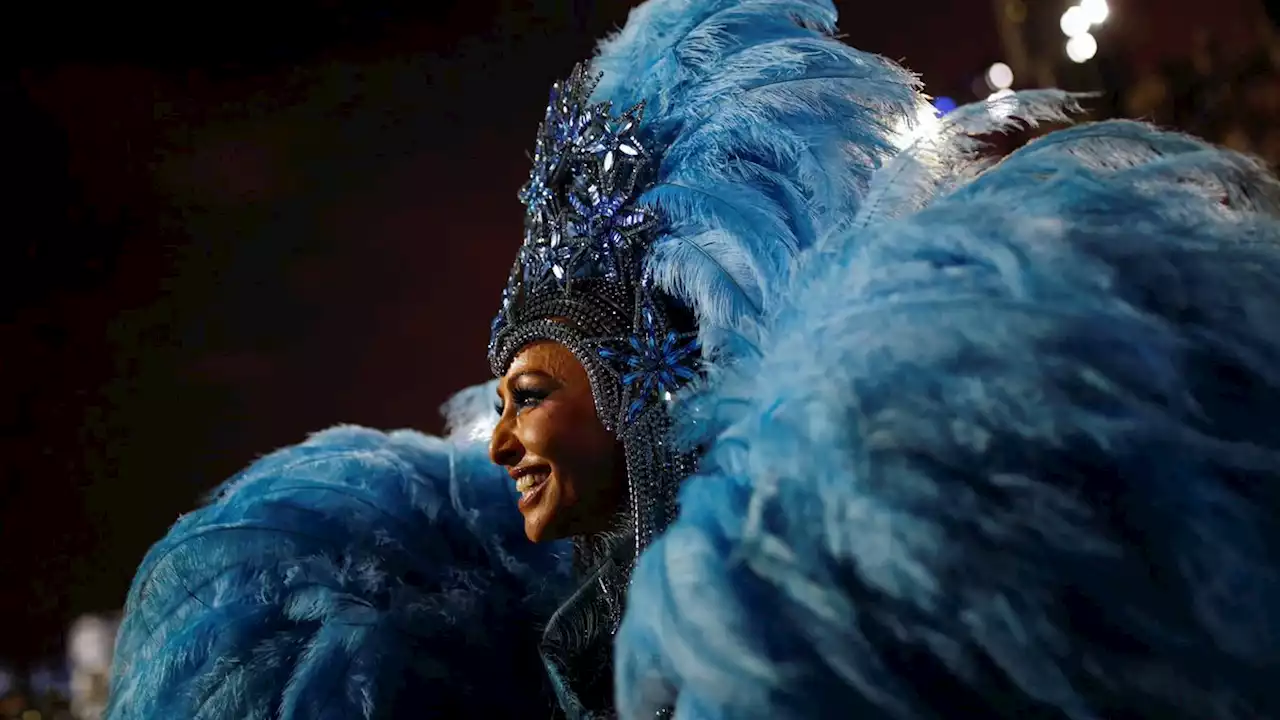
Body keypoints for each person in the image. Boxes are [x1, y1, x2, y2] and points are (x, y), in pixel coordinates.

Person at [107, 1, 1280, 718]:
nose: (501, 435)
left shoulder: (807, 626)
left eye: (528, 394)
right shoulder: (522, 652)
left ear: (637, 390)